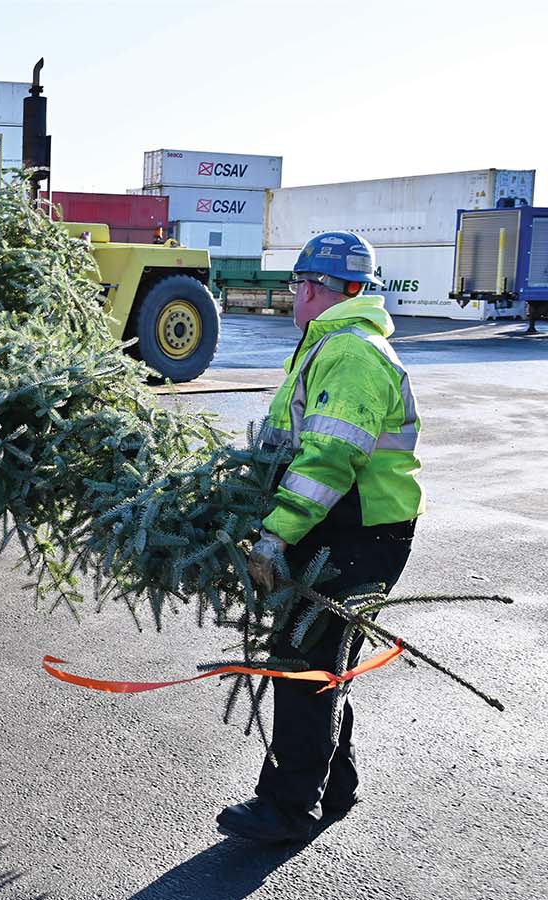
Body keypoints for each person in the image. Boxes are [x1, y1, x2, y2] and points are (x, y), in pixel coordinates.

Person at [219, 232, 425, 842]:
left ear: (311, 287)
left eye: (296, 286)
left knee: (303, 663)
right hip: (346, 527)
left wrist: (274, 536)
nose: (294, 296)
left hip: (355, 533)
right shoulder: (336, 345)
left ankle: (286, 806)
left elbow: (329, 460)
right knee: (324, 660)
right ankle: (336, 784)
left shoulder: (351, 354)